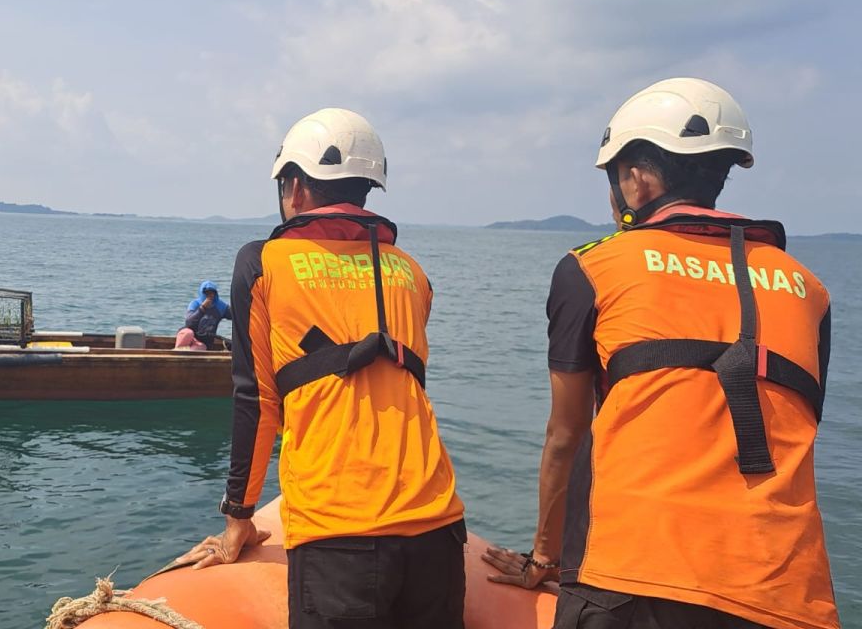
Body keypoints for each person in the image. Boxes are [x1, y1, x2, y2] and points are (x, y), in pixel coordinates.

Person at [483, 78, 839, 629]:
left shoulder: (594, 266)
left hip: (631, 577)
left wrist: (545, 557)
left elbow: (565, 434)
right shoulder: (808, 287)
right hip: (788, 591)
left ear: (636, 178)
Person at [175, 108, 467, 629]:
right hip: (438, 528)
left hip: (338, 534)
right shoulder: (414, 274)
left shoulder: (262, 262)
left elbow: (257, 401)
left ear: (295, 188)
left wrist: (237, 517)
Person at [173, 280, 231, 350]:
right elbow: (188, 323)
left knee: (199, 348)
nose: (210, 295)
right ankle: (176, 352)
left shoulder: (220, 306)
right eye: (207, 293)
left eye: (212, 293)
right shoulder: (195, 303)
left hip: (203, 342)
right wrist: (202, 309)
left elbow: (235, 315)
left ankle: (184, 355)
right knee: (187, 333)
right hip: (190, 336)